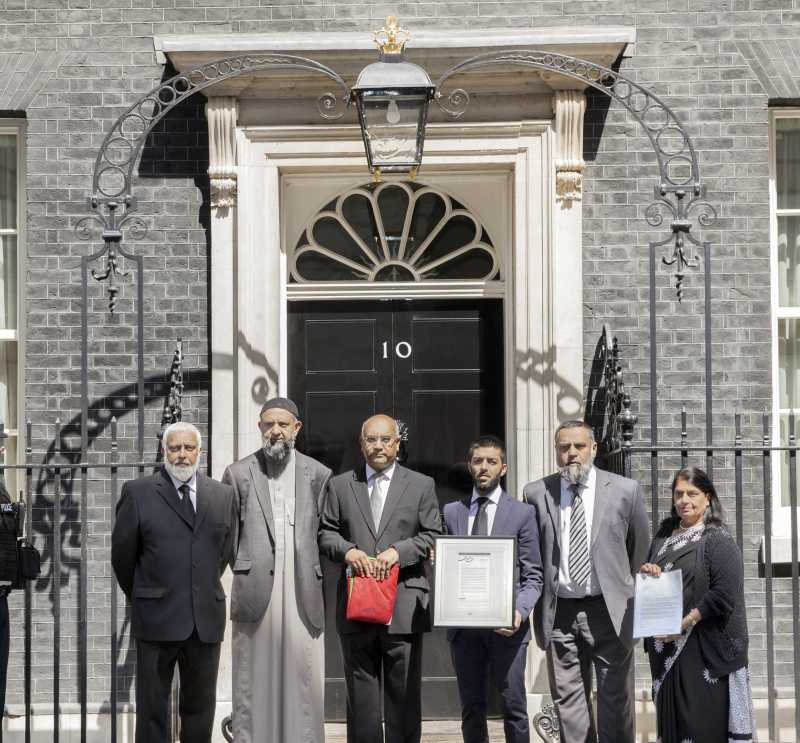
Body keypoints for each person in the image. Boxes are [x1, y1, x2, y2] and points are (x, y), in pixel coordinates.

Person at [523, 419, 649, 743]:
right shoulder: (536, 493)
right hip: (560, 612)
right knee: (568, 705)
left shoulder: (625, 491)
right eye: (564, 447)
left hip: (609, 611)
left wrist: (624, 590)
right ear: (556, 452)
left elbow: (639, 551)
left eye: (579, 446)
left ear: (593, 448)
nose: (572, 454)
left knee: (614, 700)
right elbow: (530, 552)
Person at [318, 413, 442, 743]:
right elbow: (326, 533)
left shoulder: (420, 485)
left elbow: (433, 535)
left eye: (385, 439)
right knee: (361, 700)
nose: (378, 446)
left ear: (397, 444)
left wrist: (398, 553)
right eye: (371, 440)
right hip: (357, 604)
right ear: (361, 445)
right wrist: (348, 552)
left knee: (403, 698)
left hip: (403, 604)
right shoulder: (341, 485)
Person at [111, 421, 236, 743]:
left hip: (205, 619)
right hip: (155, 618)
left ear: (200, 451)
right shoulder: (138, 493)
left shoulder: (222, 496)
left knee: (200, 709)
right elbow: (123, 558)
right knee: (153, 710)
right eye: (175, 448)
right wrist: (146, 594)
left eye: (188, 448)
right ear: (164, 452)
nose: (182, 455)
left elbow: (223, 552)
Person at [222, 397, 332, 743]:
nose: (276, 431)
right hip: (256, 589)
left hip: (302, 589)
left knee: (304, 676)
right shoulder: (238, 473)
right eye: (269, 424)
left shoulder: (318, 474)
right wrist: (245, 566)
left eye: (283, 424)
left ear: (296, 428)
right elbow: (228, 535)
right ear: (259, 427)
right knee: (252, 675)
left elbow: (325, 532)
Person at [639, 466, 755, 743]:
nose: (684, 500)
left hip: (701, 649)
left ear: (707, 498)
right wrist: (649, 570)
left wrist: (685, 622)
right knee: (673, 728)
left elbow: (724, 594)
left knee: (700, 728)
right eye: (678, 494)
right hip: (664, 648)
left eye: (692, 493)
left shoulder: (716, 538)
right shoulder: (665, 533)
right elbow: (655, 569)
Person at [443, 435, 543, 743]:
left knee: (514, 706)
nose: (483, 467)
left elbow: (534, 574)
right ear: (469, 466)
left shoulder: (522, 514)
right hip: (464, 627)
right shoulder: (451, 512)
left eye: (491, 461)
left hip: (507, 627)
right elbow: (448, 570)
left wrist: (520, 611)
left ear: (503, 468)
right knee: (471, 707)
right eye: (477, 461)